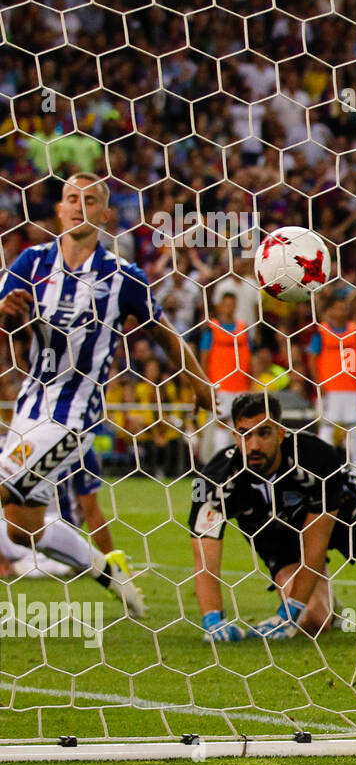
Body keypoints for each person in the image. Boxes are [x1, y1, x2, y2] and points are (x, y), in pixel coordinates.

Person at [0, 172, 214, 617]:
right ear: (58, 209)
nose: (79, 206)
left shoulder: (123, 276)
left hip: (74, 415)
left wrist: (197, 382)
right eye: (72, 199)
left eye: (90, 200)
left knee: (6, 485)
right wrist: (5, 312)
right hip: (30, 407)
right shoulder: (30, 263)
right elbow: (3, 317)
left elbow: (164, 334)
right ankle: (105, 569)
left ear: (105, 214)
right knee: (22, 532)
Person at [187, 392, 356, 642]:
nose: (254, 445)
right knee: (313, 622)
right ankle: (328, 603)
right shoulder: (215, 479)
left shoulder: (316, 458)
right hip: (281, 542)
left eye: (264, 433)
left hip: (344, 519)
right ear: (235, 436)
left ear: (282, 433)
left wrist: (288, 612)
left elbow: (316, 543)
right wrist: (213, 620)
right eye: (245, 434)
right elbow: (205, 556)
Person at [307, 293, 356, 470]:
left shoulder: (354, 330)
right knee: (327, 427)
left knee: (354, 429)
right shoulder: (321, 331)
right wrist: (319, 383)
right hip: (329, 388)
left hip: (351, 387)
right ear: (330, 311)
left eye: (344, 307)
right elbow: (311, 358)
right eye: (338, 307)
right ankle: (324, 467)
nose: (342, 311)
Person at [198, 290, 253, 456]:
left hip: (241, 384)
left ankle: (241, 461)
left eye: (232, 304)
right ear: (220, 306)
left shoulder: (243, 328)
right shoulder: (211, 328)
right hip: (220, 384)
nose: (229, 308)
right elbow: (204, 357)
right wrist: (206, 382)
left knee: (241, 425)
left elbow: (249, 356)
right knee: (222, 423)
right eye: (226, 304)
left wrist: (251, 379)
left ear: (235, 306)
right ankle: (220, 460)